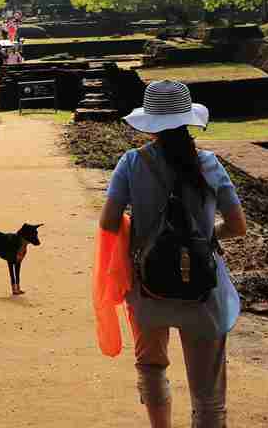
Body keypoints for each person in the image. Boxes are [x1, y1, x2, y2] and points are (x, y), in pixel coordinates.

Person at [99, 81, 247, 428]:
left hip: (148, 287)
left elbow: (108, 222)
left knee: (151, 368)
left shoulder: (132, 163)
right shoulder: (209, 163)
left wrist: (145, 232)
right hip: (203, 290)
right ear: (187, 119)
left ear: (149, 122)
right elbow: (238, 226)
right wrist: (207, 237)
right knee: (208, 394)